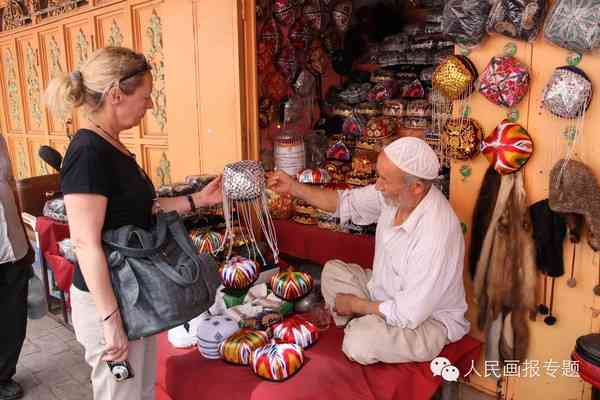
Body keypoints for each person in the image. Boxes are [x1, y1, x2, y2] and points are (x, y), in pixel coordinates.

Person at [44, 47, 223, 400]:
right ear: (115, 95)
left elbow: (146, 208)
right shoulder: (87, 152)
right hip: (109, 301)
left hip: (133, 295)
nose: (150, 105)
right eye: (145, 96)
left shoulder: (111, 145)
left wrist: (198, 200)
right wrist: (111, 323)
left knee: (139, 393)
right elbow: (85, 243)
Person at [267, 137, 469, 365]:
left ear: (416, 187)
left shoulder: (436, 232)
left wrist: (355, 304)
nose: (378, 185)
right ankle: (368, 322)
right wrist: (293, 188)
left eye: (384, 179)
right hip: (384, 293)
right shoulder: (394, 195)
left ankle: (363, 326)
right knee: (332, 272)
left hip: (426, 320)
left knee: (359, 343)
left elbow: (409, 313)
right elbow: (343, 203)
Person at [0, 134, 35, 400]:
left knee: (13, 317)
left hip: (12, 246)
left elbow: (9, 185)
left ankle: (4, 376)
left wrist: (24, 236)